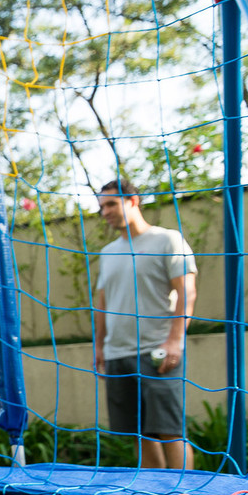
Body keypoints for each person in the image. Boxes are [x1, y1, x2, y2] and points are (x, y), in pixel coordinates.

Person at [92, 177, 197, 469]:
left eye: (111, 204)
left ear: (133, 201)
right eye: (102, 207)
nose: (106, 212)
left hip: (156, 351)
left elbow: (187, 291)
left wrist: (175, 340)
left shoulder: (167, 240)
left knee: (170, 431)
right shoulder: (107, 253)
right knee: (141, 434)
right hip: (117, 354)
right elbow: (102, 303)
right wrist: (99, 347)